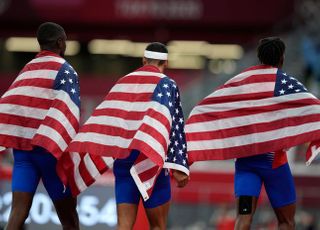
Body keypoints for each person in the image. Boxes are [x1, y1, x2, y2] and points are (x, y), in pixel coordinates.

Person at [185, 37, 320, 230]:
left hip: (247, 165)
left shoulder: (241, 81)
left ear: (258, 57)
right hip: (275, 165)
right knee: (286, 221)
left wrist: (192, 129)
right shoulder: (287, 84)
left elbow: (209, 106)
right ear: (282, 59)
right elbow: (313, 108)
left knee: (243, 219)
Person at [67, 42, 190, 230]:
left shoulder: (123, 81)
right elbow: (174, 126)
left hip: (124, 160)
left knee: (124, 226)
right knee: (158, 226)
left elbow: (108, 116)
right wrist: (180, 165)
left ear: (143, 60)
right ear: (166, 63)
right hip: (151, 159)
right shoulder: (167, 84)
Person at [0, 22, 80, 229]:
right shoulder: (65, 69)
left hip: (24, 154)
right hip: (50, 152)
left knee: (18, 212)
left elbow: (9, 103)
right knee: (69, 217)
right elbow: (67, 113)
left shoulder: (27, 69)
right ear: (60, 42)